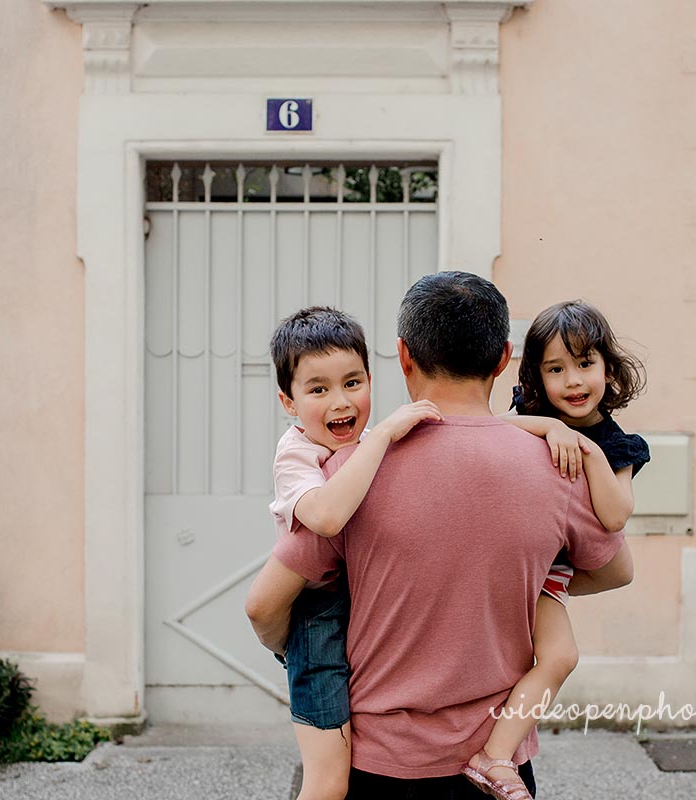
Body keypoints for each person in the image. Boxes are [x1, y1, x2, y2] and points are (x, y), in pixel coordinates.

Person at [247, 272, 633, 799]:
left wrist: (293, 652)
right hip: (494, 767)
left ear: (403, 355)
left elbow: (263, 606)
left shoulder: (352, 471)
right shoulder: (558, 465)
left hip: (378, 762)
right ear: (503, 359)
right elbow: (615, 571)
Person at [247, 306, 442, 800]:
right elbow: (328, 517)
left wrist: (552, 429)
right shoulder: (297, 455)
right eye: (317, 389)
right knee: (330, 782)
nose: (341, 401)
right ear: (287, 402)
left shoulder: (369, 443)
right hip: (318, 618)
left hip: (367, 601)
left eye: (353, 382)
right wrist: (383, 437)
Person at [466, 300, 650, 796]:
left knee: (560, 656)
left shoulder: (617, 444)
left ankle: (495, 754)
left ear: (608, 369)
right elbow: (488, 428)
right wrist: (551, 427)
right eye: (556, 368)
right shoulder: (528, 413)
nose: (573, 380)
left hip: (550, 576)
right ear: (535, 376)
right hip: (501, 563)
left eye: (585, 363)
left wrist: (587, 448)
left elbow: (615, 515)